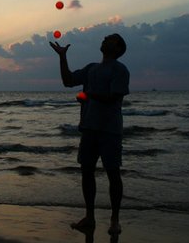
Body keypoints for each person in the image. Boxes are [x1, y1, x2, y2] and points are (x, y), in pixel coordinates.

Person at [49, 34, 129, 236]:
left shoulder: (120, 70)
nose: (104, 38)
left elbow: (114, 97)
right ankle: (90, 218)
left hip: (110, 129)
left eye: (110, 38)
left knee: (113, 172)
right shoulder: (91, 68)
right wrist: (62, 57)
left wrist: (89, 95)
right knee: (87, 171)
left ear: (117, 47)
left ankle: (115, 220)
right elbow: (68, 81)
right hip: (89, 127)